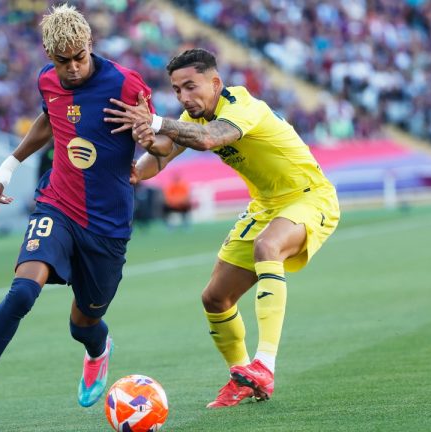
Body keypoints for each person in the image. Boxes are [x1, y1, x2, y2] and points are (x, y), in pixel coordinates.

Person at [0, 5, 157, 425]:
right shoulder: (47, 80)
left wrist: (151, 135)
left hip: (107, 226)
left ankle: (98, 350)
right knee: (21, 293)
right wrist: (10, 164)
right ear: (48, 55)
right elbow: (49, 118)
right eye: (62, 61)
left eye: (79, 57)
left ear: (90, 45)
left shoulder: (127, 84)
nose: (72, 68)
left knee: (84, 323)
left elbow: (160, 144)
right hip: (57, 204)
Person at [104, 48, 340, 408]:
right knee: (215, 298)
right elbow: (163, 152)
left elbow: (209, 138)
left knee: (267, 247)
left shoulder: (241, 106)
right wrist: (135, 167)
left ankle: (265, 365)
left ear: (215, 82)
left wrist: (155, 122)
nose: (184, 96)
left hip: (310, 197)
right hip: (265, 205)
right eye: (177, 89)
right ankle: (241, 377)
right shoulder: (191, 115)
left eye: (190, 86)